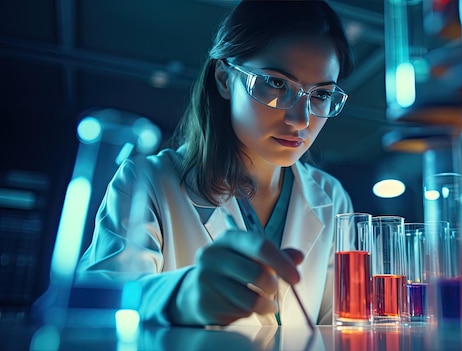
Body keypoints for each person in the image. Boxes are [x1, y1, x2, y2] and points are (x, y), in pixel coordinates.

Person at [76, 0, 355, 328]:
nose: (300, 119)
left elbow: (340, 329)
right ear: (224, 78)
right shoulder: (147, 181)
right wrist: (181, 297)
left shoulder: (331, 198)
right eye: (277, 83)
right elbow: (90, 310)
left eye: (321, 95)